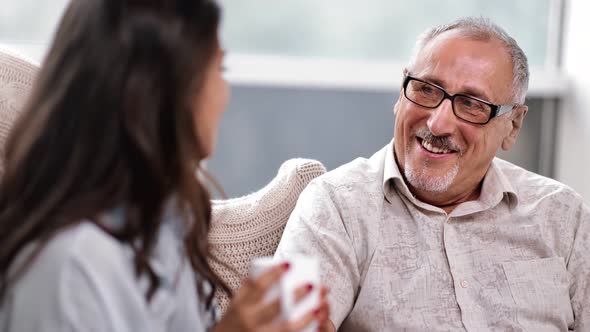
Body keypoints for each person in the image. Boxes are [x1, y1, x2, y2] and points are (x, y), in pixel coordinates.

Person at [0, 0, 330, 331]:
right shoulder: (69, 267)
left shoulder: (164, 225)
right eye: (219, 69)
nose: (225, 92)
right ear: (165, 90)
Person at [275, 16, 590, 331]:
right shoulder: (333, 206)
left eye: (471, 104)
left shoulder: (563, 215)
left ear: (513, 126)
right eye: (426, 90)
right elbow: (285, 327)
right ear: (401, 93)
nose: (438, 124)